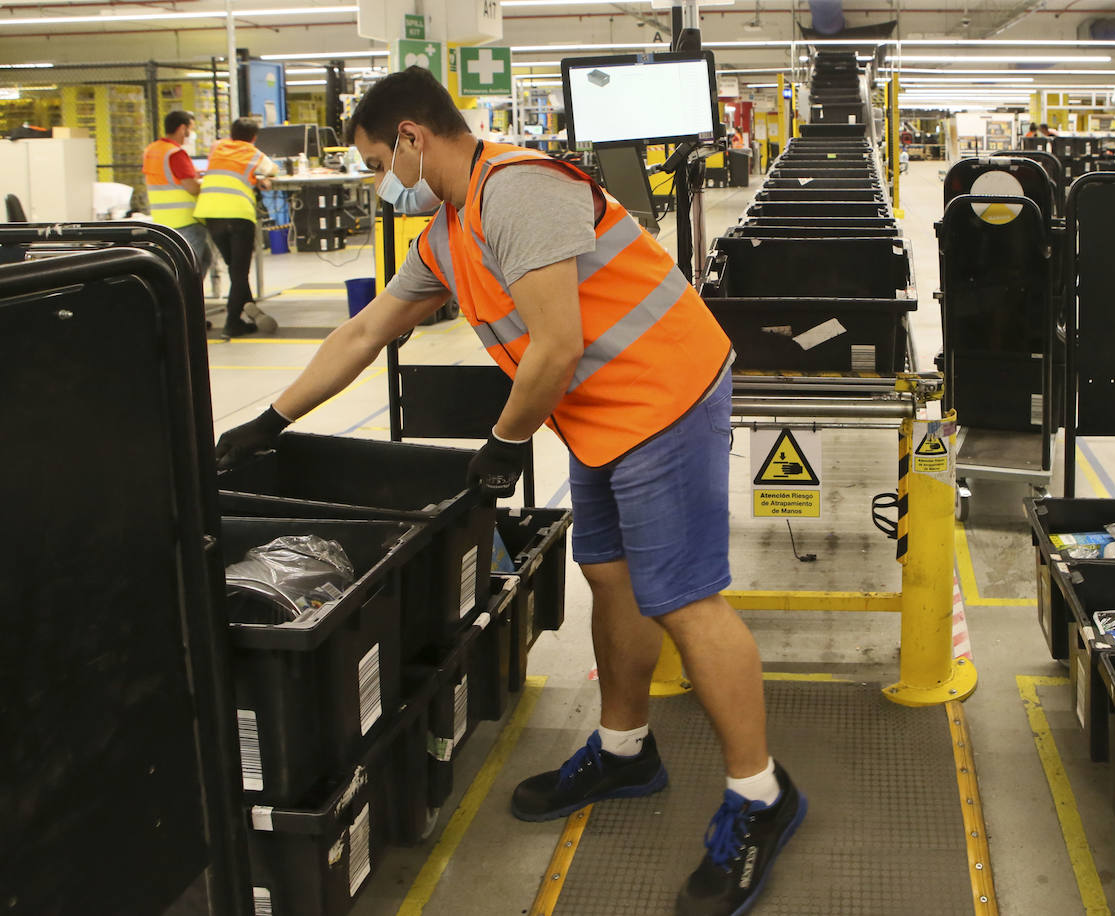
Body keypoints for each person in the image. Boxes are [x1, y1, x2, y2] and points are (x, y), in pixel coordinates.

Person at [213, 66, 805, 916]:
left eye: (382, 159)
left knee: (685, 600)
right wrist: (267, 421)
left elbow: (557, 344)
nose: (383, 181)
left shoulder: (516, 190)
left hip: (664, 395)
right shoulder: (449, 229)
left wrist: (504, 444)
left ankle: (762, 796)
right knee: (611, 576)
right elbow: (366, 328)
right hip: (601, 415)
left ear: (414, 138)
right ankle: (626, 748)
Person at [193, 117, 278, 337]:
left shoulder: (218, 149)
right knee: (239, 272)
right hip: (238, 215)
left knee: (235, 268)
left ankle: (250, 310)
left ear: (231, 133)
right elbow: (272, 170)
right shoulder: (252, 152)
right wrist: (259, 179)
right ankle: (232, 323)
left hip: (210, 214)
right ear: (254, 137)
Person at [142, 110, 210, 279]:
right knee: (189, 269)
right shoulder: (176, 153)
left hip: (163, 220)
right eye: (191, 129)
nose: (191, 134)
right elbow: (192, 187)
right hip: (186, 220)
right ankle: (185, 303)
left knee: (203, 258)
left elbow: (168, 178)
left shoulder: (152, 149)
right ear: (182, 128)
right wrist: (207, 184)